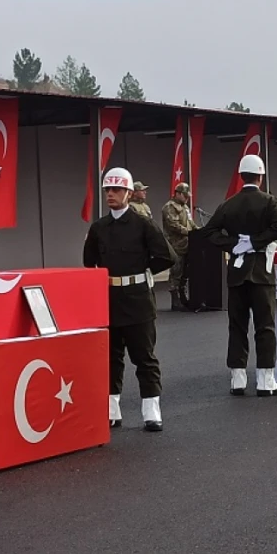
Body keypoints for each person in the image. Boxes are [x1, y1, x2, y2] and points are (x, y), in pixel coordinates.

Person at [83, 167, 176, 431]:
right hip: (110, 298)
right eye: (108, 190)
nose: (111, 194)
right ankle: (112, 409)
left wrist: (144, 269)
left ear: (128, 193)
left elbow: (167, 256)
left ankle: (151, 409)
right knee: (111, 357)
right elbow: (89, 262)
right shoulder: (99, 227)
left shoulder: (143, 224)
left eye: (116, 190)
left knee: (144, 356)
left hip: (138, 300)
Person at [202, 154, 277, 396]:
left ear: (241, 176)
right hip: (261, 270)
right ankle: (265, 380)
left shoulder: (228, 204)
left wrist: (233, 243)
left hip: (237, 271)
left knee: (237, 326)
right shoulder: (270, 202)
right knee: (265, 326)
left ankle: (238, 379)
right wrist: (255, 241)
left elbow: (208, 231)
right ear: (260, 177)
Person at [161, 182, 197, 311]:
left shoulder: (185, 208)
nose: (187, 198)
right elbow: (173, 225)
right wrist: (190, 232)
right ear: (178, 193)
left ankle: (183, 297)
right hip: (175, 246)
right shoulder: (170, 207)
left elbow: (191, 223)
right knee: (176, 272)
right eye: (185, 196)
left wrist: (198, 231)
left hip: (187, 245)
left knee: (185, 274)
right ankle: (175, 301)